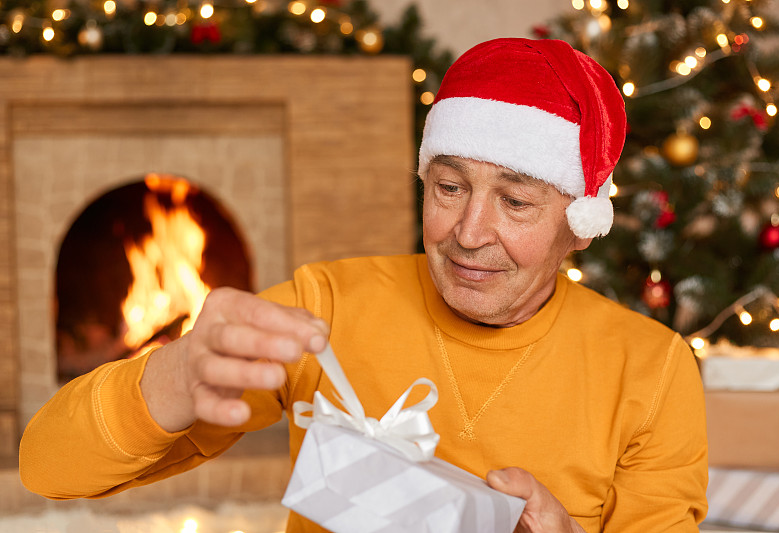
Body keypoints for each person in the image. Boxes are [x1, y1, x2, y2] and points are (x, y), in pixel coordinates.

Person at [19, 38, 708, 532]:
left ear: (581, 223)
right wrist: (172, 374)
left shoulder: (650, 368)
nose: (468, 232)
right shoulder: (325, 306)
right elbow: (47, 469)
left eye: (516, 202)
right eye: (448, 186)